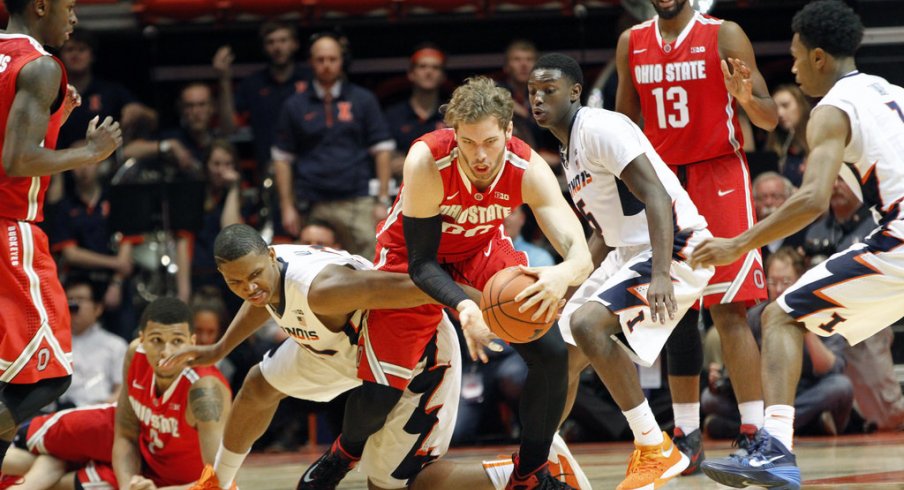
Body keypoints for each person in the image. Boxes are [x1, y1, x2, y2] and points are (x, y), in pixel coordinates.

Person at [161, 225, 589, 490]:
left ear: (272, 255)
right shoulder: (262, 276)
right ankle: (218, 481)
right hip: (335, 348)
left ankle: (535, 469)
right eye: (236, 282)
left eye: (255, 275)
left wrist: (479, 307)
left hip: (414, 352)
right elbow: (262, 300)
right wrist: (217, 350)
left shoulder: (325, 288)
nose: (250, 287)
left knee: (398, 485)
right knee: (257, 385)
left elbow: (415, 286)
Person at [327, 76, 591, 490]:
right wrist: (467, 307)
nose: (480, 155)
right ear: (454, 135)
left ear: (508, 131)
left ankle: (530, 474)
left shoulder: (528, 167)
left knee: (552, 352)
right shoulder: (426, 159)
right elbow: (422, 265)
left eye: (489, 141)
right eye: (468, 143)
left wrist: (561, 274)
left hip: (479, 249)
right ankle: (343, 452)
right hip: (409, 257)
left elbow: (580, 252)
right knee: (381, 395)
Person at [690, 2, 904, 487]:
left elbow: (811, 199)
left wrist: (736, 244)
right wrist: (748, 102)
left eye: (795, 56)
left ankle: (775, 448)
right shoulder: (893, 92)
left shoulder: (832, 108)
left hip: (899, 235)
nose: (791, 67)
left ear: (820, 58)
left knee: (780, 315)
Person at [529, 53, 714, 490]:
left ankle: (653, 447)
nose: (538, 99)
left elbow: (655, 195)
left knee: (588, 324)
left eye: (549, 90)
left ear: (575, 91)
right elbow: (604, 231)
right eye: (533, 92)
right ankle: (540, 458)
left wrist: (663, 273)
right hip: (625, 248)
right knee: (559, 350)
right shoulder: (568, 147)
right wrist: (567, 281)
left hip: (675, 239)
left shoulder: (599, 127)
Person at [615, 0, 779, 472]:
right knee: (675, 312)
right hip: (663, 182)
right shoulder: (632, 42)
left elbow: (769, 118)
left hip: (719, 176)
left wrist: (745, 98)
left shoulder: (724, 34)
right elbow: (625, 127)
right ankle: (685, 435)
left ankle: (754, 430)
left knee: (729, 308)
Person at [0, 0, 121, 472]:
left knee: (10, 374)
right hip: (11, 228)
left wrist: (52, 120)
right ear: (41, 5)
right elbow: (16, 161)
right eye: (68, 6)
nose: (73, 18)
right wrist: (88, 152)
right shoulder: (42, 66)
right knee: (47, 378)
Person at [0, 297, 232, 490]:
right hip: (127, 440)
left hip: (170, 479)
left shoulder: (205, 391)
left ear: (192, 342)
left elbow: (218, 483)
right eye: (156, 340)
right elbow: (125, 435)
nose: (166, 352)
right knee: (24, 439)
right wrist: (129, 483)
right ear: (142, 339)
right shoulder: (136, 354)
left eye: (178, 341)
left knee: (65, 484)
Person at [702, 247, 853, 439]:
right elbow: (743, 369)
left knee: (841, 387)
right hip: (767, 395)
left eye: (786, 282)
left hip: (807, 391)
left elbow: (831, 368)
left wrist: (802, 325)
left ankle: (751, 429)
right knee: (709, 398)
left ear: (801, 279)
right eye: (772, 282)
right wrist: (722, 376)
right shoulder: (756, 316)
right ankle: (807, 426)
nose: (779, 289)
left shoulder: (824, 312)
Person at [272, 31, 395, 256]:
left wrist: (382, 200)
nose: (326, 65)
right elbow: (282, 158)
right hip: (312, 201)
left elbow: (383, 149)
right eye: (320, 60)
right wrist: (287, 206)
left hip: (357, 200)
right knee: (312, 265)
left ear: (342, 61)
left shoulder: (363, 99)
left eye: (332, 59)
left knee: (371, 260)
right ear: (311, 62)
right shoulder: (295, 105)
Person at [59, 275, 128, 408]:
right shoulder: (52, 344)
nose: (73, 306)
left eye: (80, 300)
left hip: (97, 413)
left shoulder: (116, 345)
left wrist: (102, 408)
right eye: (70, 300)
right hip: (59, 414)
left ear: (98, 308)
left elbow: (122, 390)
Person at [385, 44, 448, 178]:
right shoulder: (393, 115)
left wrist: (411, 163)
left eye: (435, 67)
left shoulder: (452, 116)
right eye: (422, 66)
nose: (429, 72)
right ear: (411, 74)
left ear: (443, 76)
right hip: (400, 188)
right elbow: (387, 157)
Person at [767, 84, 811, 187]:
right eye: (775, 108)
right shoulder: (775, 146)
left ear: (801, 105)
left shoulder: (818, 139)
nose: (780, 113)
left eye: (785, 105)